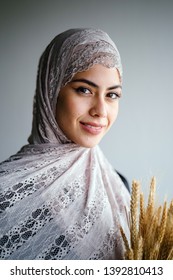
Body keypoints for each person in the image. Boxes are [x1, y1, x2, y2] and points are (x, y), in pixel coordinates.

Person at [0, 28, 130, 260]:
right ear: (51, 91)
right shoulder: (7, 194)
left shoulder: (118, 184)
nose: (100, 111)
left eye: (112, 95)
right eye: (84, 90)